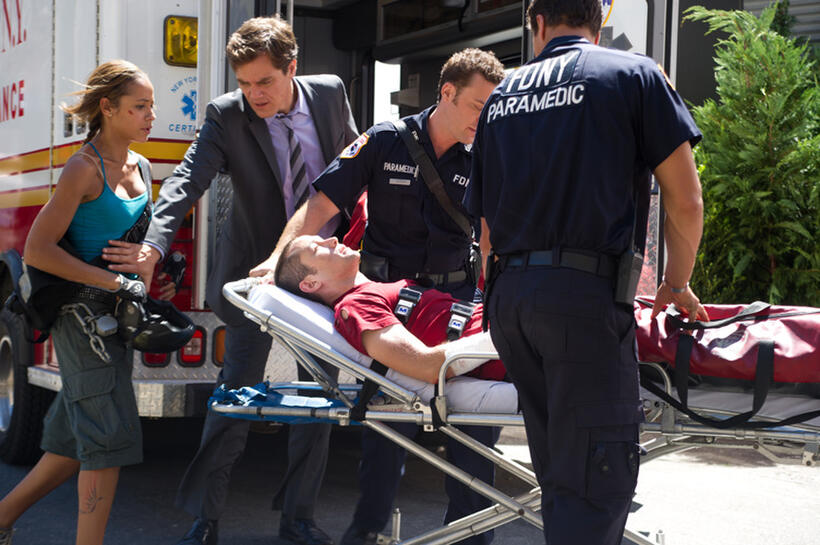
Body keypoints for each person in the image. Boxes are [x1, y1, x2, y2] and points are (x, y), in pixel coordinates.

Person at [105, 16, 358, 545]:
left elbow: (358, 164)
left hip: (322, 275)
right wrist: (154, 245)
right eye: (244, 83)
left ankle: (299, 519)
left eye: (264, 81)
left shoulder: (331, 95)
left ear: (292, 68)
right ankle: (205, 518)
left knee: (319, 399)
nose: (254, 94)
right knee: (234, 397)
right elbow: (186, 180)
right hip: (254, 275)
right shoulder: (227, 114)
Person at [465, 1, 710, 544]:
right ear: (599, 23)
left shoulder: (502, 94)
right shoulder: (633, 75)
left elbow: (486, 226)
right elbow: (686, 200)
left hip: (512, 301)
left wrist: (501, 298)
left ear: (538, 24)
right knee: (598, 482)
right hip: (582, 300)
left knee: (560, 473)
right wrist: (676, 283)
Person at [252, 48, 506, 545]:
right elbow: (322, 203)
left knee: (475, 434)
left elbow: (491, 236)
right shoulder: (386, 141)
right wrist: (277, 257)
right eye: (479, 106)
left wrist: (496, 301)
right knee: (388, 433)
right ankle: (366, 532)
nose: (484, 119)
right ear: (447, 93)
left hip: (452, 302)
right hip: (391, 304)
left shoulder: (483, 155)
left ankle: (471, 536)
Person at [0, 60, 156, 545]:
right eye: (140, 107)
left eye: (152, 106)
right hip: (82, 321)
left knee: (72, 444)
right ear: (107, 108)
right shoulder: (82, 169)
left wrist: (148, 272)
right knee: (106, 443)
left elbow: (133, 249)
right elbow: (37, 250)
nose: (151, 116)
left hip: (118, 320)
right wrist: (115, 283)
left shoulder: (143, 166)